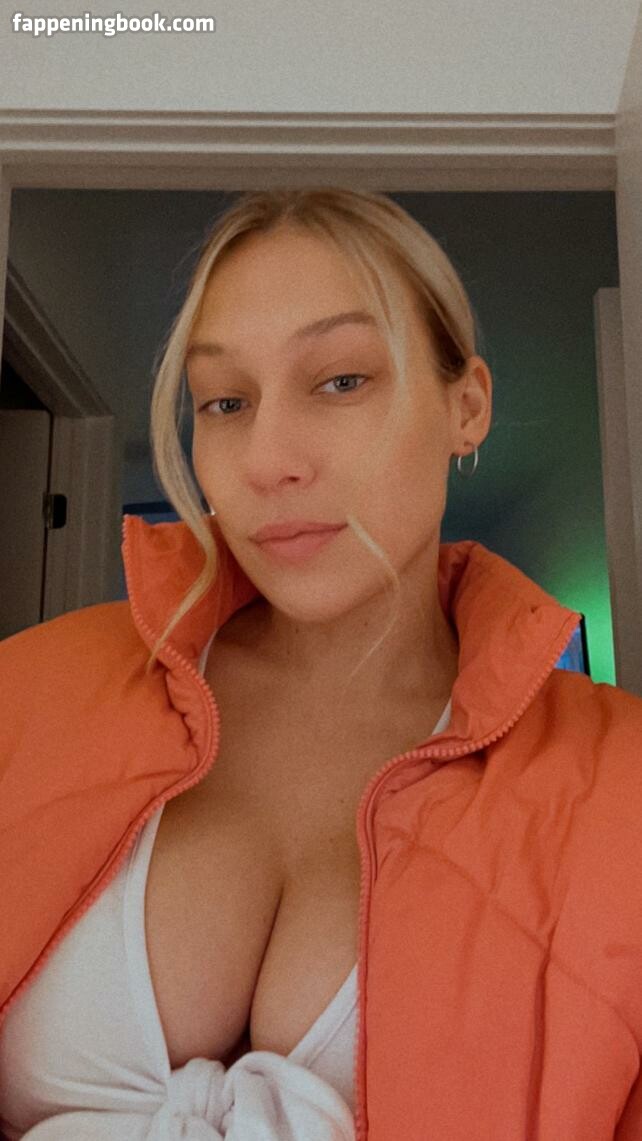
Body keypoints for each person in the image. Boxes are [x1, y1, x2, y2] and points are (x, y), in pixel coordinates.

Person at [1, 186, 642, 1141]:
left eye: (341, 380)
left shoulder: (618, 789)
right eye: (225, 401)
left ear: (467, 406)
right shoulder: (29, 690)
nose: (268, 460)